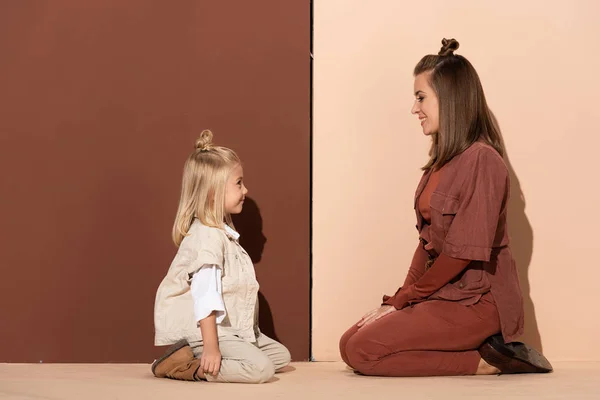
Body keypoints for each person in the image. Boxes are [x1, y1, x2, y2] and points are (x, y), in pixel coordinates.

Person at [339, 39, 553, 376]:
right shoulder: (439, 165)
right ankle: (467, 349)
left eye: (421, 97)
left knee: (362, 350)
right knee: (349, 342)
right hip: (444, 293)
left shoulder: (483, 162)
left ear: (450, 100)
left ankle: (485, 363)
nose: (414, 108)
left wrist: (411, 296)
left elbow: (460, 253)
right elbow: (427, 244)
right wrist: (400, 298)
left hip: (478, 302)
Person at [151, 130, 291, 383]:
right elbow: (206, 297)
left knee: (280, 357)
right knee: (261, 370)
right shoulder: (206, 237)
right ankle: (185, 366)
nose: (245, 189)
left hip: (231, 331)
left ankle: (208, 356)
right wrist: (211, 348)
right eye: (238, 183)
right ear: (213, 192)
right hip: (206, 332)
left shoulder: (223, 233)